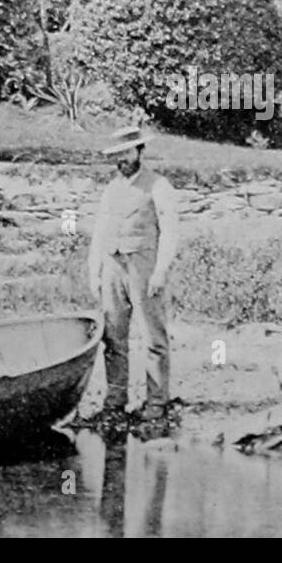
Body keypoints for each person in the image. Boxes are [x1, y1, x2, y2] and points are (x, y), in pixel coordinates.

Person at [88, 125, 179, 423]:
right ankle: (115, 401)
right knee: (113, 338)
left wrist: (161, 270)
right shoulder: (113, 188)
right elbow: (100, 231)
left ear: (140, 151)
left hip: (144, 265)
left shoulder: (158, 185)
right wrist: (95, 272)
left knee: (153, 336)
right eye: (117, 155)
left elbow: (170, 232)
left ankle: (156, 401)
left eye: (126, 153)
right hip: (113, 265)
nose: (122, 160)